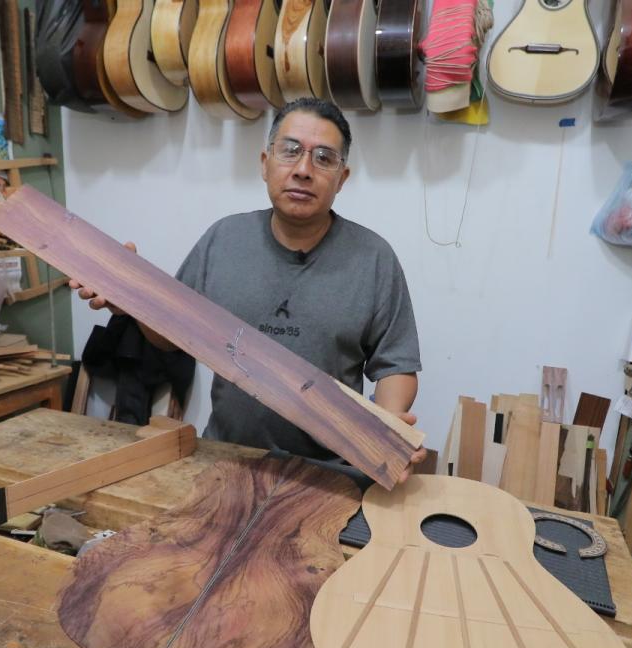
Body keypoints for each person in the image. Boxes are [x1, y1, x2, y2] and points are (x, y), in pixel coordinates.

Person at [71, 98, 426, 477]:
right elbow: (171, 337)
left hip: (332, 473)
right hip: (225, 458)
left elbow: (396, 366)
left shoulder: (373, 258)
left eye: (324, 158)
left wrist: (387, 428)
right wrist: (131, 298)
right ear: (265, 163)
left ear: (342, 178)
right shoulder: (224, 239)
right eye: (290, 151)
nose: (303, 170)